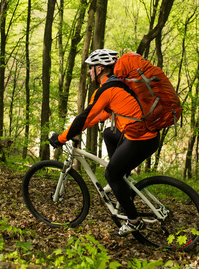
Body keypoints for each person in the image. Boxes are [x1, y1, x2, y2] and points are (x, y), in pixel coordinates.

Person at [49, 49, 160, 236]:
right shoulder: (116, 85)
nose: (89, 72)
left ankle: (134, 220)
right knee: (109, 133)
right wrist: (77, 130)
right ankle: (121, 179)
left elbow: (84, 117)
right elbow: (98, 116)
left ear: (99, 68)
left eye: (91, 68)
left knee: (111, 174)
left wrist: (61, 138)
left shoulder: (108, 89)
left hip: (142, 139)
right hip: (141, 135)